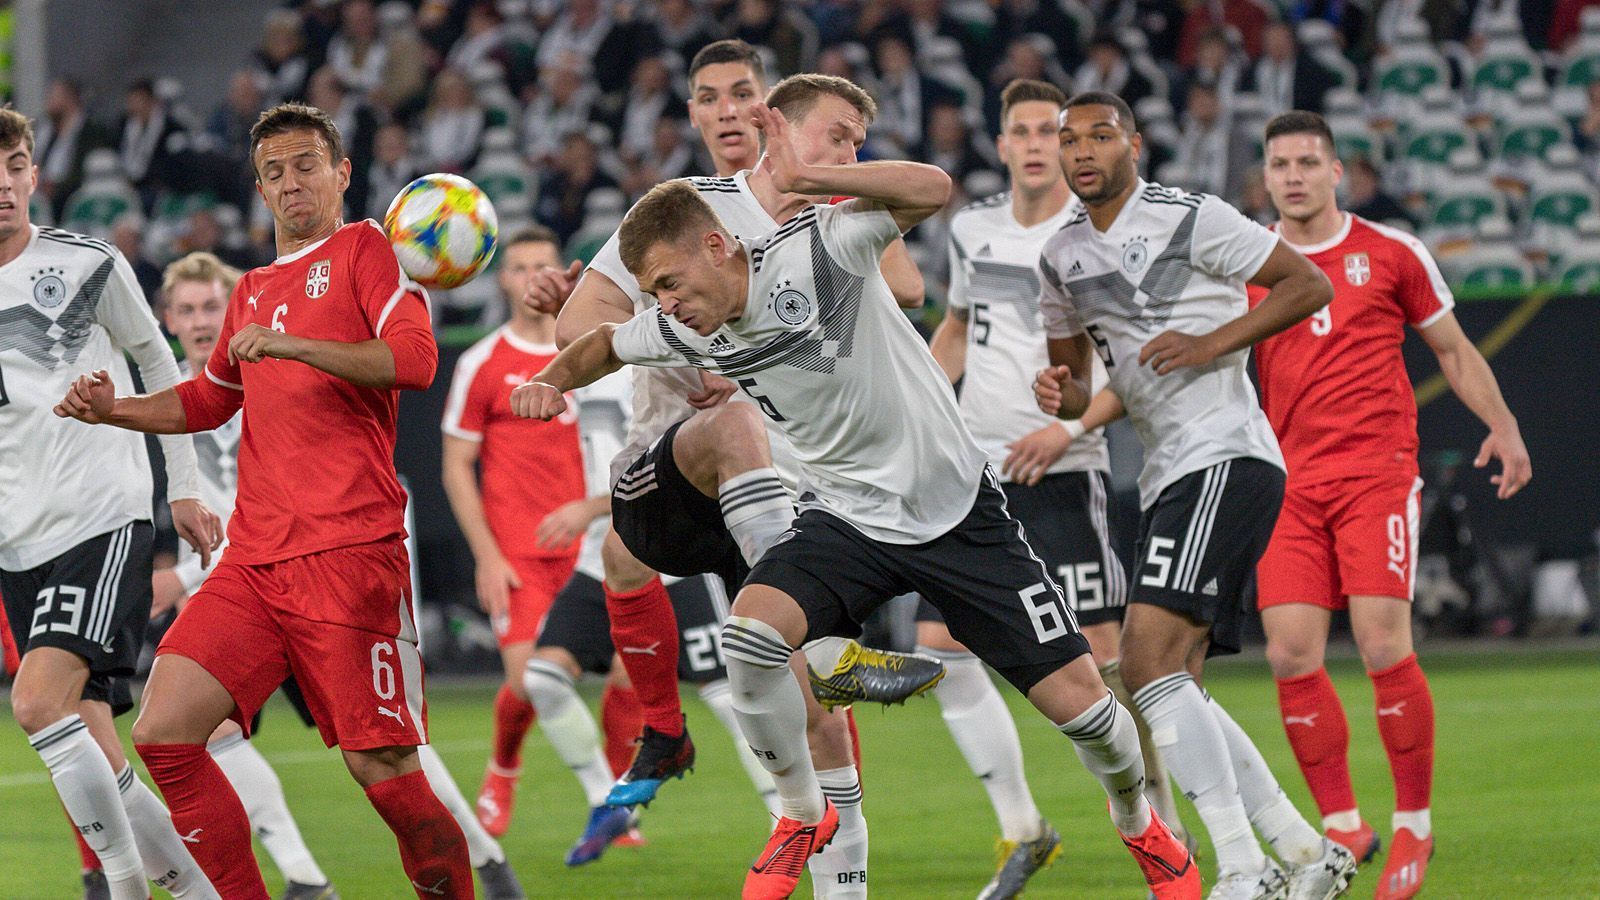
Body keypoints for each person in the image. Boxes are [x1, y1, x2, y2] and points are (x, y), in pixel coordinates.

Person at [512, 99, 1202, 900]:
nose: (664, 302)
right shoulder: (683, 324)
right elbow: (603, 340)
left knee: (1087, 714)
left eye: (669, 282)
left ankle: (1137, 820)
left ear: (716, 246)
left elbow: (931, 187)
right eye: (652, 291)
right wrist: (547, 381)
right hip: (847, 518)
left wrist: (811, 174)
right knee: (750, 639)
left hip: (958, 517)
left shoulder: (822, 248)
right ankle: (801, 814)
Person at [529, 64, 942, 898]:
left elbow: (906, 287)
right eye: (709, 97)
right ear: (691, 112)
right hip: (677, 457)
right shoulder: (682, 211)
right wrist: (696, 327)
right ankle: (677, 722)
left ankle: (838, 876)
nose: (729, 111)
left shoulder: (825, 213)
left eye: (743, 94)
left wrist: (808, 243)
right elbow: (581, 324)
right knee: (644, 532)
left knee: (814, 705)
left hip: (782, 475)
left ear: (774, 112)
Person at [53, 103, 472, 900]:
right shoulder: (249, 289)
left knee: (382, 770)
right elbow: (208, 402)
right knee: (165, 733)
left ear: (342, 173)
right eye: (274, 173)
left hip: (350, 557)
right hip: (255, 562)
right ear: (259, 188)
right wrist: (116, 409)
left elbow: (415, 362)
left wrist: (293, 345)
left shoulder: (368, 250)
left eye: (306, 165)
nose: (291, 184)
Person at [1034, 91, 1356, 900]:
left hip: (1227, 452)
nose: (1082, 152)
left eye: (1099, 136)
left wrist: (1211, 342)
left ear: (1134, 143)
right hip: (1172, 470)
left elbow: (1306, 284)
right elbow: (1077, 392)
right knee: (1175, 677)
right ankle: (1303, 851)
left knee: (1143, 664)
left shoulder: (1190, 216)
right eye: (1068, 139)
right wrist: (1058, 391)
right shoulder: (1059, 256)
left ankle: (1243, 870)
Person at [1253, 110, 1532, 900]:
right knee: (1290, 655)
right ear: (1267, 176)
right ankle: (1344, 824)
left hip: (1376, 475)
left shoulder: (1391, 251)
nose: (1296, 175)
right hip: (1287, 484)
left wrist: (1504, 427)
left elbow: (1451, 348)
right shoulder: (1248, 258)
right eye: (1281, 164)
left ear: (1337, 171)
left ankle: (1414, 824)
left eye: (1310, 161)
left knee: (1381, 645)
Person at [926, 78, 1193, 899]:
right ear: (1002, 144)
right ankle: (1024, 825)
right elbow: (959, 327)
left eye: (1053, 130)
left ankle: (1163, 825)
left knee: (1110, 661)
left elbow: (1125, 363)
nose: (1041, 144)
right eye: (1025, 131)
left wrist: (1070, 429)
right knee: (943, 652)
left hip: (1065, 472)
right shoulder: (971, 227)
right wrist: (927, 415)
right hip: (975, 474)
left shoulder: (1099, 238)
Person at [0, 105, 222, 900]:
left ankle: (125, 888)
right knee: (95, 739)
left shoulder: (86, 261)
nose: (3, 183)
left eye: (15, 164)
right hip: (15, 541)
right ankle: (199, 893)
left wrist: (185, 487)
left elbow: (159, 365)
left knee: (36, 702)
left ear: (33, 172)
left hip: (100, 514)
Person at [442, 225, 589, 838]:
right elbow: (455, 463)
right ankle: (503, 769)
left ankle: (620, 797)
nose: (532, 278)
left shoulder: (590, 354)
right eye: (521, 267)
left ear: (563, 275)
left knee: (632, 676)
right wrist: (486, 556)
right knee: (529, 682)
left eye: (543, 266)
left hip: (592, 549)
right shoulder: (482, 362)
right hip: (518, 555)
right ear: (503, 279)